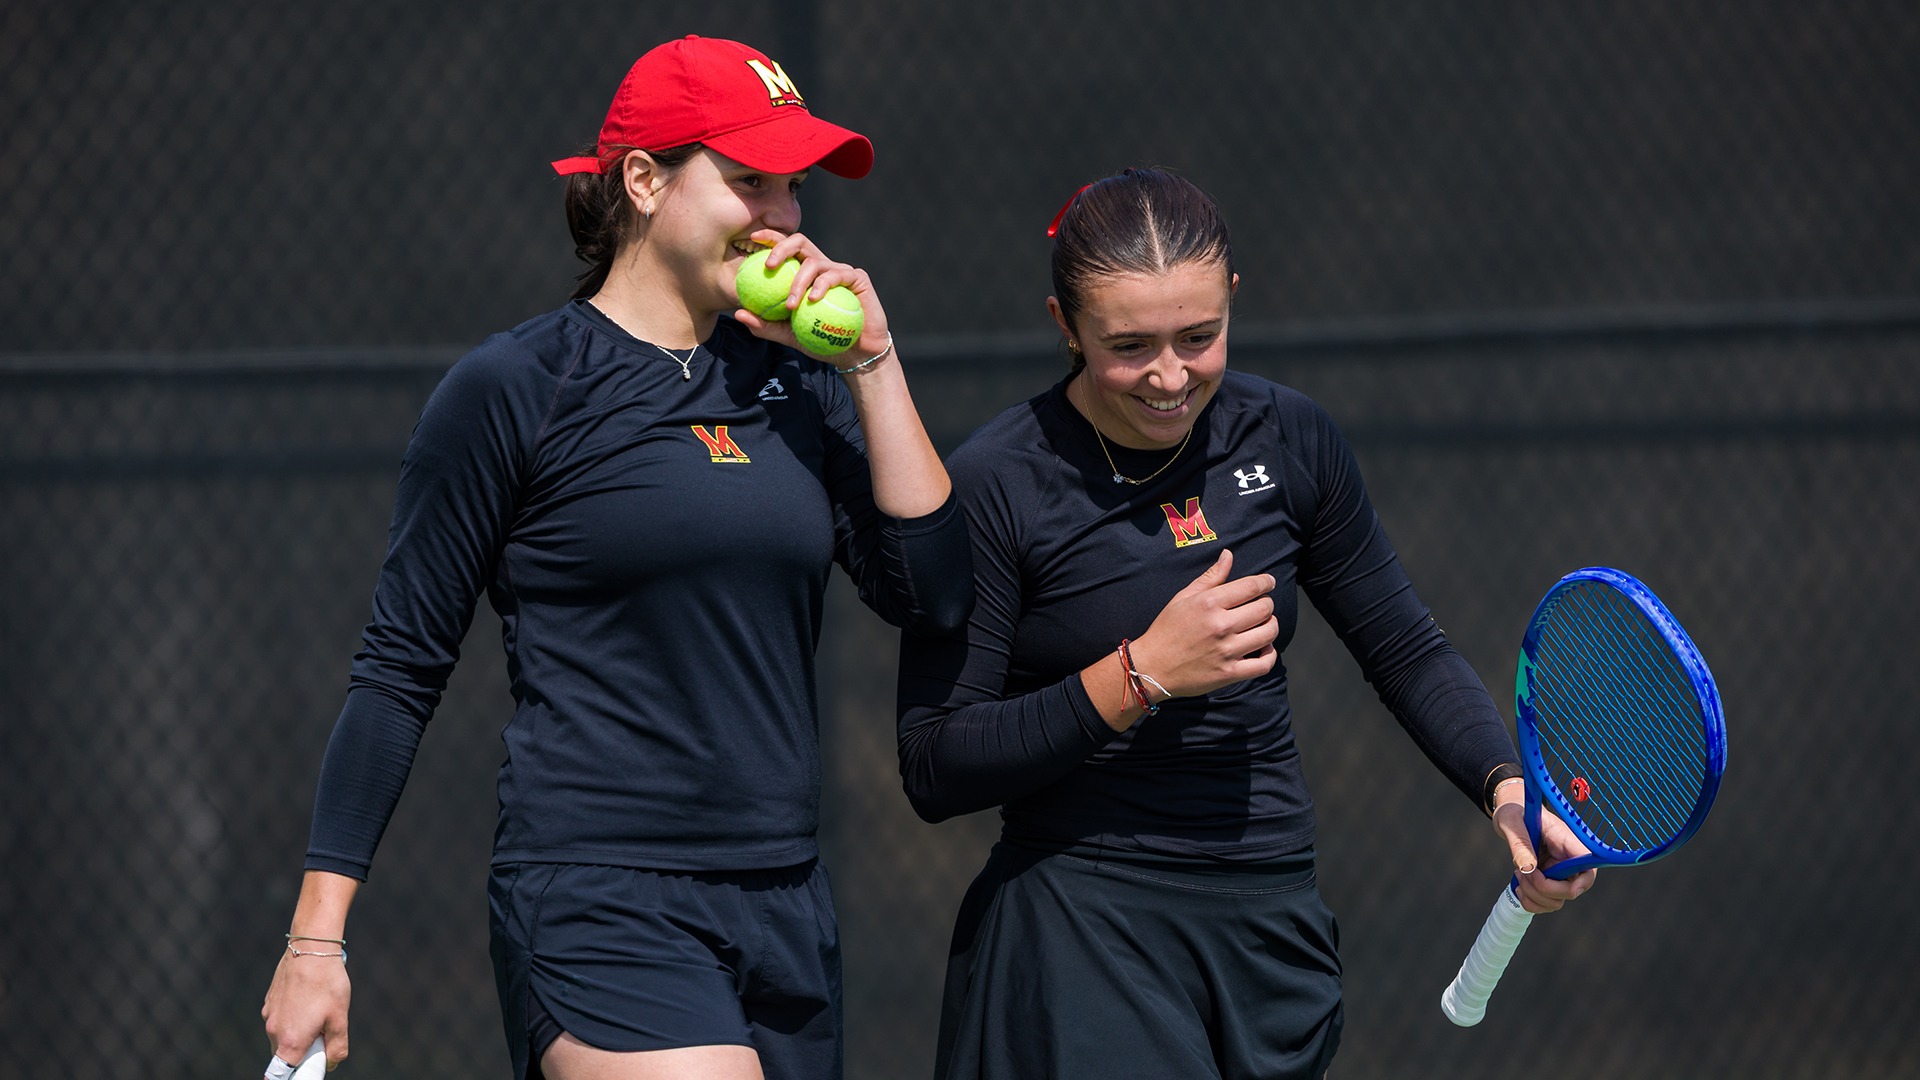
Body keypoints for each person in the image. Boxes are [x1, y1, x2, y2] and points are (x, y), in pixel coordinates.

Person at [259, 35, 971, 1080]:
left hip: (783, 900)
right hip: (601, 890)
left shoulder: (804, 386)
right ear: (643, 182)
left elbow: (934, 593)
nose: (784, 216)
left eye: (794, 187)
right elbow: (398, 669)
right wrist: (317, 941)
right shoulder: (514, 388)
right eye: (747, 182)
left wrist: (872, 361)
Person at [895, 168, 1595, 1080]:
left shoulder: (1291, 436)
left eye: (1199, 336)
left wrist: (1507, 792)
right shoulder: (997, 482)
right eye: (1130, 345)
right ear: (1065, 326)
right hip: (1081, 934)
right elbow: (933, 761)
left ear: (1232, 297)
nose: (1170, 375)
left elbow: (1404, 647)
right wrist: (1140, 673)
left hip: (1273, 926)